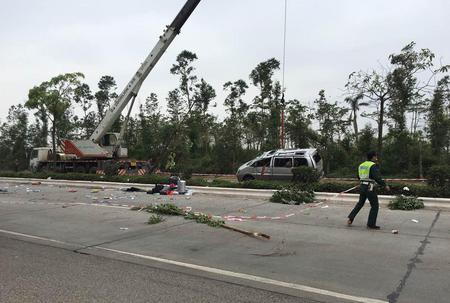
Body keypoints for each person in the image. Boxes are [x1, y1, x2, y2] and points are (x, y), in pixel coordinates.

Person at [347, 151, 390, 229]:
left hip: (362, 186)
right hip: (370, 187)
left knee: (360, 203)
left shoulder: (361, 165)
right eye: (376, 156)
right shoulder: (373, 165)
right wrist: (385, 185)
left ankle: (350, 218)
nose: (376, 158)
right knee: (375, 206)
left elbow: (358, 176)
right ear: (373, 157)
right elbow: (377, 177)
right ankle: (371, 224)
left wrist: (364, 180)